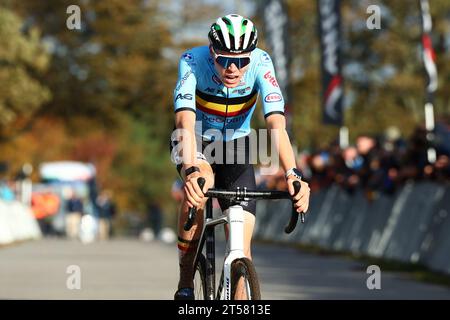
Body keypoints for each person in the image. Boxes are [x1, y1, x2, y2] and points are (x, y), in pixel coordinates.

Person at [170, 14, 310, 300]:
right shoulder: (192, 61)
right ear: (212, 52)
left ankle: (239, 292)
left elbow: (276, 126)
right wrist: (190, 170)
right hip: (196, 139)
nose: (233, 68)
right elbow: (184, 120)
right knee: (200, 186)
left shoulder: (262, 62)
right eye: (224, 59)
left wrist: (293, 175)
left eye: (242, 60)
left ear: (251, 56)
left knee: (242, 241)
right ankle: (185, 281)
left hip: (236, 145)